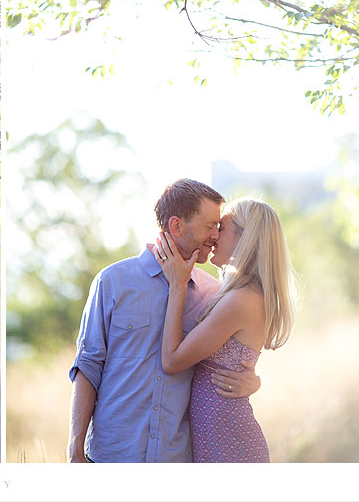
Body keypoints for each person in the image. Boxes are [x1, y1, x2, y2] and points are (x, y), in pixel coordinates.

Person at [67, 178, 261, 463]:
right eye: (209, 226)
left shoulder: (214, 295)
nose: (216, 236)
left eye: (219, 228)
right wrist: (74, 449)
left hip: (176, 459)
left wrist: (253, 381)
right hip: (113, 455)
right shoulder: (113, 282)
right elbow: (87, 366)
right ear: (176, 226)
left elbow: (230, 358)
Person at [153, 196, 296, 462]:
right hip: (220, 438)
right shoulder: (244, 294)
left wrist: (178, 286)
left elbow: (172, 361)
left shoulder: (240, 300)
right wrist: (255, 381)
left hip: (228, 442)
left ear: (245, 238)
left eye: (222, 228)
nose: (215, 236)